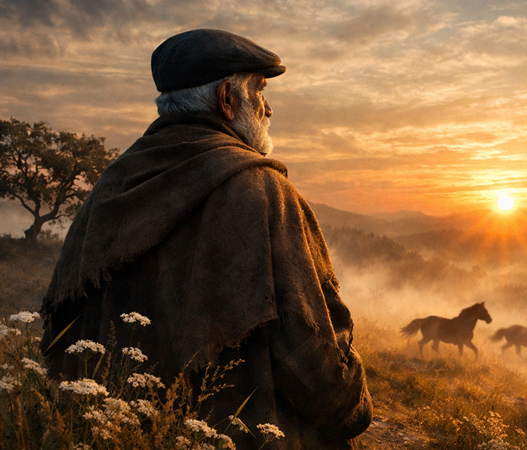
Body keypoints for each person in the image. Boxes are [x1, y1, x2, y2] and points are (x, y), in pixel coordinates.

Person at [40, 29, 372, 449]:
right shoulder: (265, 193)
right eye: (260, 90)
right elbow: (317, 367)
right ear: (227, 100)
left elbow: (66, 330)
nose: (267, 107)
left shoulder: (111, 186)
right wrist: (355, 406)